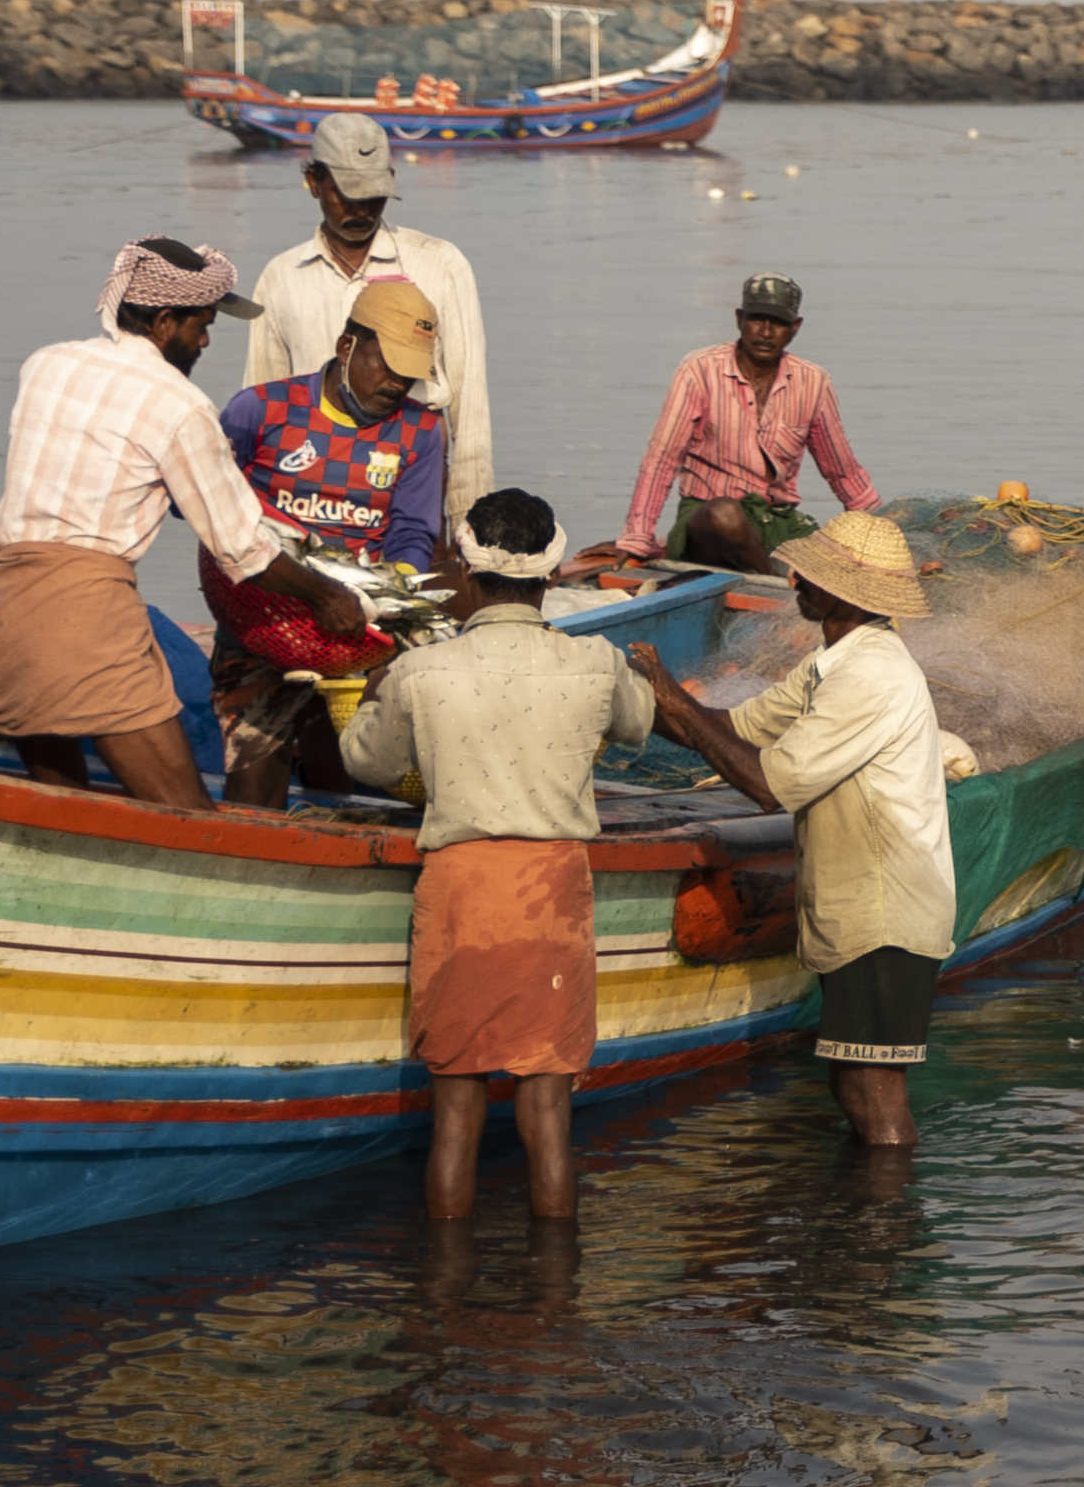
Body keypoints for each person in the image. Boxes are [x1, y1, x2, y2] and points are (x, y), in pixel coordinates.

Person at [341, 488, 651, 1227]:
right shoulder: (596, 662)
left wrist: (373, 691)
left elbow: (365, 762)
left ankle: (447, 1296)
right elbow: (638, 723)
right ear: (549, 574)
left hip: (461, 888)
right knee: (548, 1113)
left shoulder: (422, 671)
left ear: (468, 571)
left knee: (456, 1110)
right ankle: (554, 1292)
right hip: (552, 891)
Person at [0, 237, 356, 809]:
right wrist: (327, 596)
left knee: (63, 811)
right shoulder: (180, 404)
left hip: (3, 612)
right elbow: (242, 549)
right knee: (189, 821)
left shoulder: (44, 364)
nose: (204, 341)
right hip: (86, 622)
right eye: (201, 325)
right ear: (165, 319)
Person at [640, 511, 972, 1170]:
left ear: (848, 594)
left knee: (873, 1089)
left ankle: (879, 1244)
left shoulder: (869, 675)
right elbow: (737, 727)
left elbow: (769, 784)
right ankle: (866, 1233)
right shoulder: (831, 663)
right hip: (864, 908)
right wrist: (646, 701)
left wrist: (672, 702)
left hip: (887, 911)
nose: (795, 576)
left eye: (814, 574)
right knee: (852, 1081)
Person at [204, 277, 456, 801]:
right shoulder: (261, 410)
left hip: (358, 626)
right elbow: (207, 505)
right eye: (386, 365)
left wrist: (394, 596)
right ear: (347, 346)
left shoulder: (423, 431)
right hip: (263, 612)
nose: (396, 385)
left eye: (410, 375)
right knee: (255, 768)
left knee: (348, 756)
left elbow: (412, 531)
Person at [242, 111, 494, 502]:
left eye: (373, 195)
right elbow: (262, 404)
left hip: (413, 471)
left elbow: (469, 403)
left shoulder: (440, 264)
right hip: (309, 480)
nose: (361, 210)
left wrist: (467, 518)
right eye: (346, 193)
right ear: (314, 182)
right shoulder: (281, 277)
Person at [607, 274, 873, 569]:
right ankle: (772, 585)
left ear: (795, 328)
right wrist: (637, 538)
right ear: (739, 319)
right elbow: (661, 459)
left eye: (779, 323)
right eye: (757, 319)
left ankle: (782, 578)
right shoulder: (699, 370)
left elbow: (843, 472)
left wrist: (878, 531)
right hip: (707, 521)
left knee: (843, 559)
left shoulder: (813, 382)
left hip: (777, 521)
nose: (767, 332)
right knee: (725, 513)